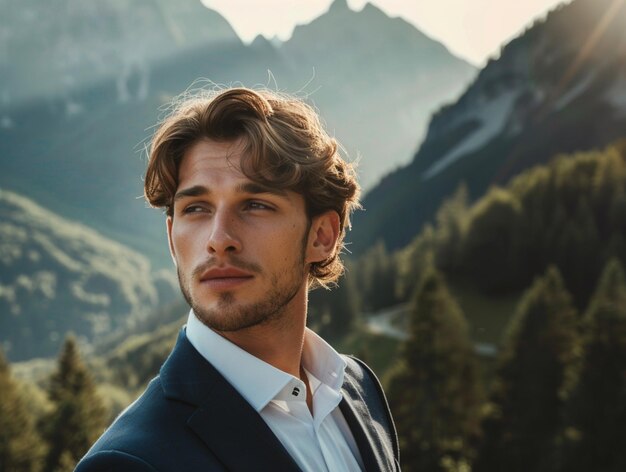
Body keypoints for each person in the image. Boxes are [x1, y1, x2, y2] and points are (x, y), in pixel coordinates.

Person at [75, 87, 399, 471]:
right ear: (171, 239)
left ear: (321, 236)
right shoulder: (129, 462)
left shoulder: (359, 391)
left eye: (255, 205)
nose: (218, 240)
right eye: (196, 208)